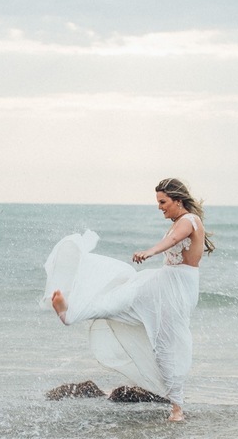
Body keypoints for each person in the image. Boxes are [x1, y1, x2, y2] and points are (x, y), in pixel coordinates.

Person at [43, 178, 214, 422]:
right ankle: (71, 314)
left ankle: (177, 408)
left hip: (177, 289)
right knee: (120, 298)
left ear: (178, 200)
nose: (159, 207)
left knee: (164, 345)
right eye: (158, 202)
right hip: (162, 282)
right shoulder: (179, 221)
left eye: (163, 202)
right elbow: (173, 239)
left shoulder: (189, 221)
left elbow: (173, 240)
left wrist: (151, 251)